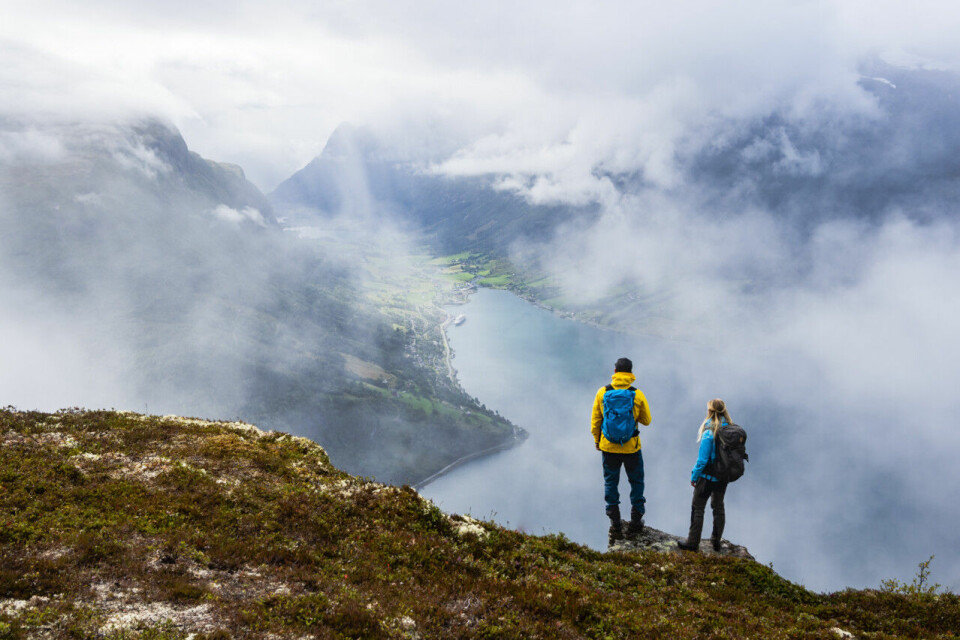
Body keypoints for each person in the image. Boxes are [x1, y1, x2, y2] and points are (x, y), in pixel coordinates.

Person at [591, 357, 652, 542]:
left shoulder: (602, 392)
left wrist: (597, 440)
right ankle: (635, 521)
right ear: (630, 372)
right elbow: (647, 420)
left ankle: (615, 523)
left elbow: (596, 421)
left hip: (608, 446)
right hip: (631, 447)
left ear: (615, 371)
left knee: (611, 482)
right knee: (636, 482)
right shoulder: (637, 394)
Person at [678, 398, 732, 552]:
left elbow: (702, 460)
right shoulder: (730, 429)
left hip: (707, 478)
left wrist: (694, 477)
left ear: (710, 411)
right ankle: (716, 542)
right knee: (718, 507)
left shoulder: (709, 432)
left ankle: (692, 543)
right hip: (723, 478)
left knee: (698, 508)